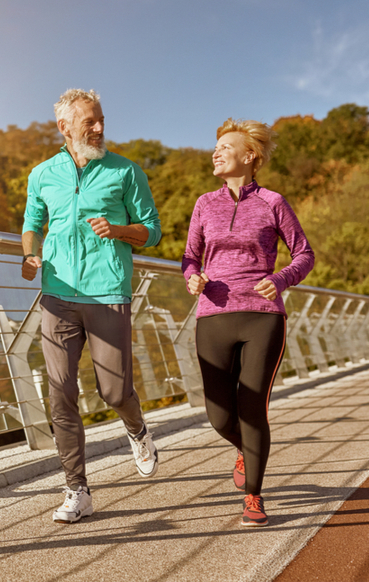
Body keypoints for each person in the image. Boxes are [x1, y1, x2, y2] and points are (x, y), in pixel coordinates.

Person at [21, 88, 162, 523]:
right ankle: (76, 490)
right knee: (60, 392)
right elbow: (31, 224)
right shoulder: (43, 174)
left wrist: (119, 231)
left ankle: (137, 430)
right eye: (89, 122)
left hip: (108, 291)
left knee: (115, 391)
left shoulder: (125, 171)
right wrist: (29, 254)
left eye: (101, 119)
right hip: (58, 296)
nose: (99, 128)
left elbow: (152, 230)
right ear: (65, 128)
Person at [181, 119, 314, 527]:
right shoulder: (205, 203)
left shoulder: (273, 201)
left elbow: (303, 255)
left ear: (250, 156)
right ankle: (246, 448)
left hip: (262, 317)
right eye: (215, 146)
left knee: (253, 409)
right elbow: (189, 256)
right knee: (220, 415)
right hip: (213, 316)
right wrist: (192, 276)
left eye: (225, 146)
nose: (216, 152)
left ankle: (254, 496)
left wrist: (279, 279)